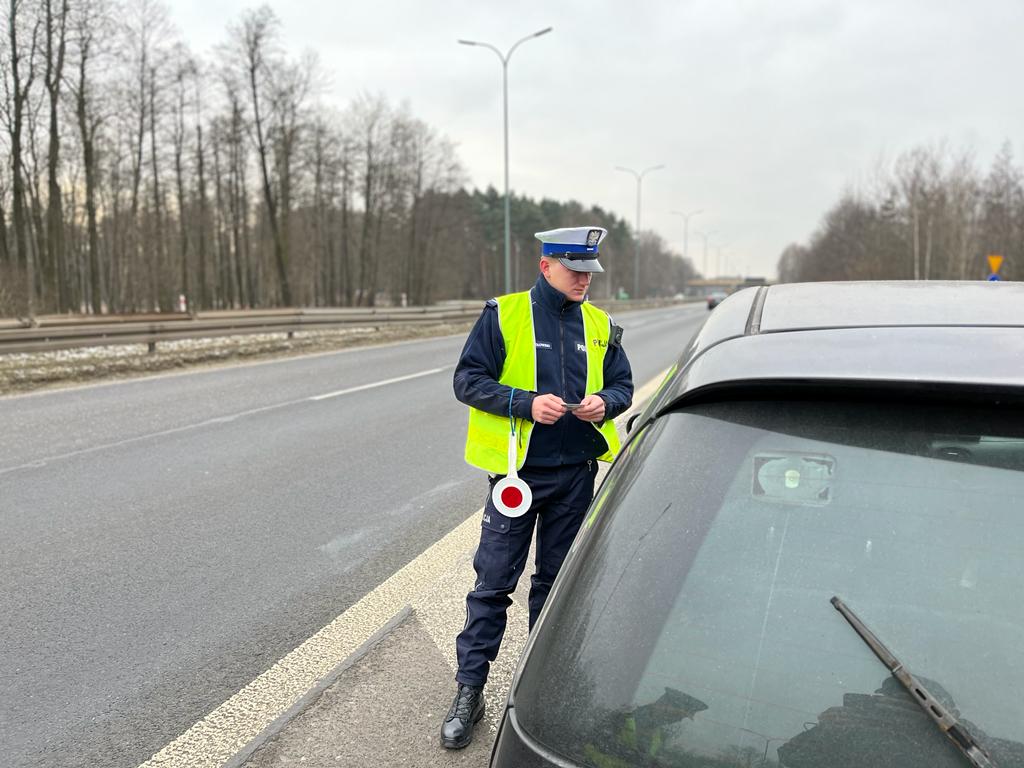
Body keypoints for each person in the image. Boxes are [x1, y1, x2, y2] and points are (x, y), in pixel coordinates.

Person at [440, 226, 634, 749]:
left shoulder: (601, 325)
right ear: (546, 265)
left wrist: (606, 403)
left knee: (556, 588)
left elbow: (622, 385)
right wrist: (523, 402)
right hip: (517, 478)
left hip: (576, 476)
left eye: (590, 273)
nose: (584, 282)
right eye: (575, 272)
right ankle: (469, 691)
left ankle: (540, 692)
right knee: (493, 585)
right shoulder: (502, 315)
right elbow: (467, 381)